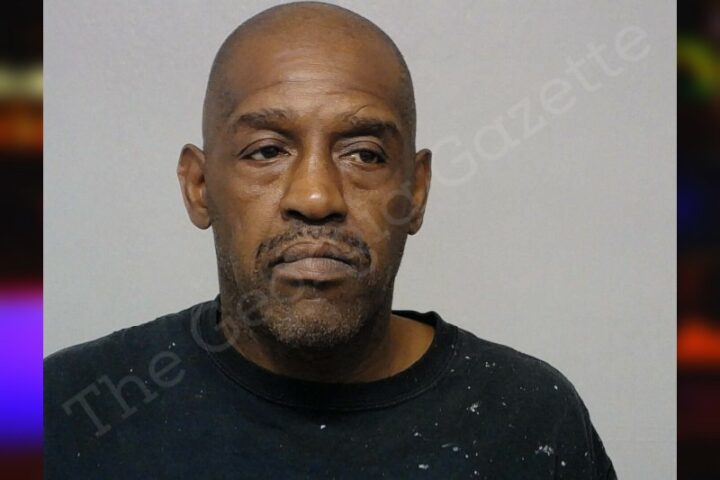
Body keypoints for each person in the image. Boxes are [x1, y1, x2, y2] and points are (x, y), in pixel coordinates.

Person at [44, 2, 616, 478]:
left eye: (364, 154)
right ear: (199, 187)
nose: (316, 197)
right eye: (267, 151)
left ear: (416, 192)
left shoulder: (529, 417)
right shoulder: (66, 410)